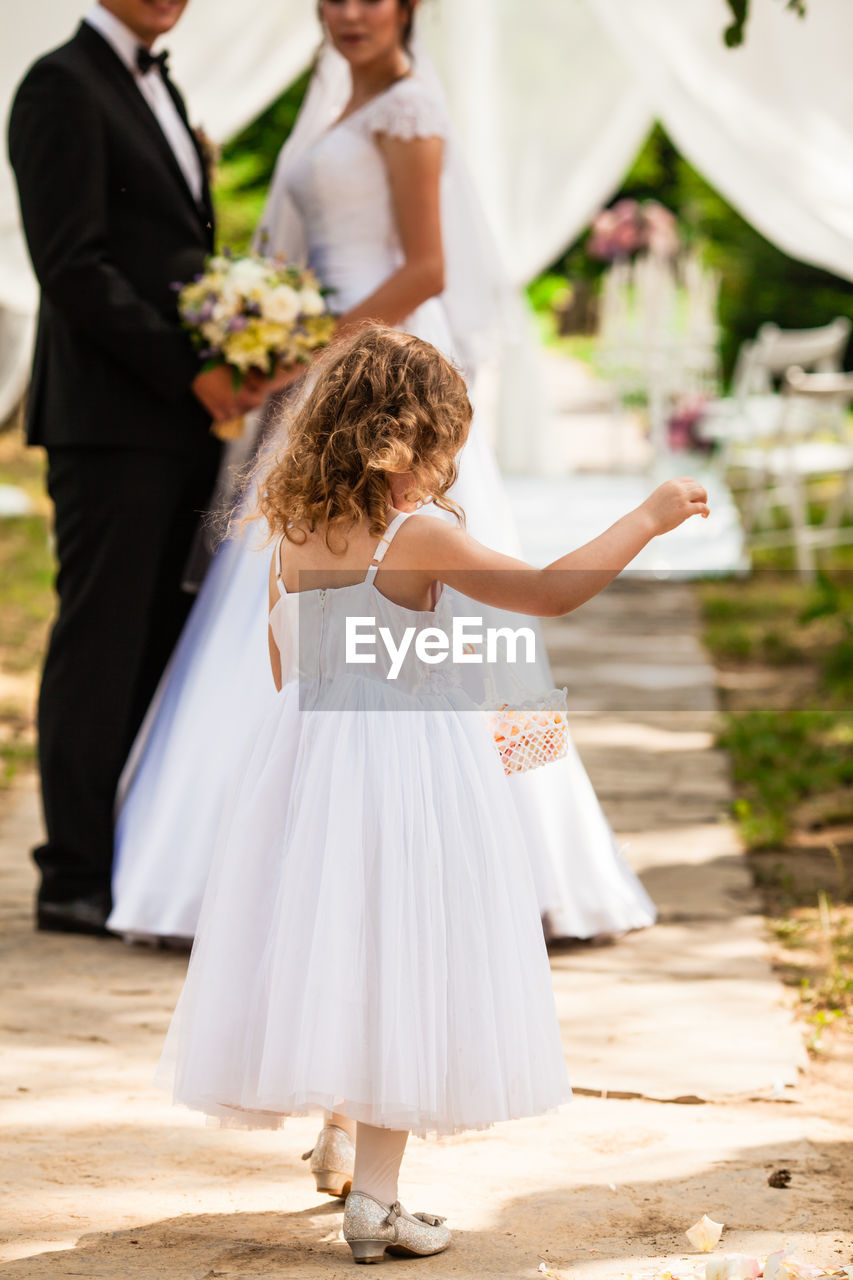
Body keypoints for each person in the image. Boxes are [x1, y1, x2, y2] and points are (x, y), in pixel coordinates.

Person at [159, 325, 710, 1264]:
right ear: (409, 439)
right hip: (406, 774)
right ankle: (375, 1202)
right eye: (445, 441)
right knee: (405, 963)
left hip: (308, 763)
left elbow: (286, 657)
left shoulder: (294, 529)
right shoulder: (418, 533)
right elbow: (546, 591)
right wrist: (649, 518)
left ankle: (339, 1128)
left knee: (341, 941)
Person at [110, 0, 656, 946]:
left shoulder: (410, 111)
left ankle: (518, 852)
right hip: (325, 383)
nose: (350, 11)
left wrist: (304, 352)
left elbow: (428, 266)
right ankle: (260, 863)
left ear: (408, 8)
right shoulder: (326, 111)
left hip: (381, 379)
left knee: (469, 624)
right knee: (292, 596)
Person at [7, 0, 270, 935]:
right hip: (108, 422)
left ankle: (131, 854)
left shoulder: (159, 81)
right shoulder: (58, 86)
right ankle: (71, 874)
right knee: (101, 641)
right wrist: (192, 371)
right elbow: (71, 267)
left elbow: (170, 259)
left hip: (175, 422)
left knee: (160, 638)